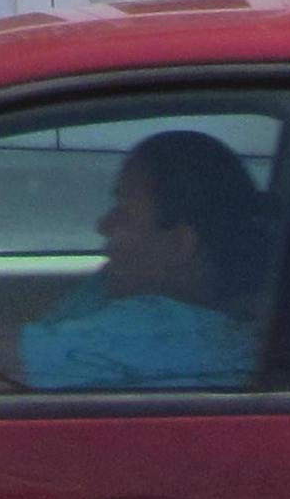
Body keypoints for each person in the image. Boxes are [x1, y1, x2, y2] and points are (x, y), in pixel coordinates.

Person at [18, 128, 269, 390]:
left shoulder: (171, 333)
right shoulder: (118, 283)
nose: (103, 225)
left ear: (179, 244)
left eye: (124, 212)